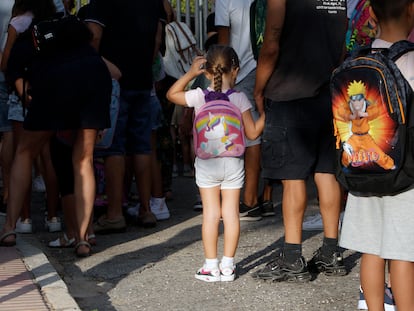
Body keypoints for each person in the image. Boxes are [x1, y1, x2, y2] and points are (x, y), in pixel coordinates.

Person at [0, 0, 112, 259]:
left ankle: (9, 228)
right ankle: (83, 238)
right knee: (84, 159)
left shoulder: (28, 35)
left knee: (25, 152)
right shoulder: (72, 28)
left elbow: (15, 73)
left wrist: (32, 102)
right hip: (93, 76)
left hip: (52, 81)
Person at [252, 0, 347, 282]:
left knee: (293, 177)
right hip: (328, 94)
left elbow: (271, 42)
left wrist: (259, 88)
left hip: (289, 92)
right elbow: (341, 43)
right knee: (327, 173)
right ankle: (332, 252)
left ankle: (292, 257)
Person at [167, 45, 265, 282]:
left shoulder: (199, 95)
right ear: (237, 70)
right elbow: (252, 134)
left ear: (207, 71)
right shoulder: (240, 98)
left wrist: (191, 74)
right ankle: (228, 266)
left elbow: (171, 95)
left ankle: (210, 266)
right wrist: (265, 115)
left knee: (211, 214)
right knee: (231, 214)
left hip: (206, 163)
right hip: (233, 163)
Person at [340, 1, 414, 310]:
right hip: (405, 175)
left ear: (370, 14)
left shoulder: (355, 62)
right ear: (411, 10)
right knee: (402, 253)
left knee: (371, 250)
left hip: (362, 168)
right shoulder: (411, 60)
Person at [85, 0, 164, 232]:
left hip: (114, 80)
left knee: (114, 148)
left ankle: (114, 213)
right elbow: (157, 39)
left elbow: (94, 38)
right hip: (142, 79)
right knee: (142, 146)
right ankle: (146, 209)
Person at [216, 0, 264, 221]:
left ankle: (250, 199)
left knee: (246, 135)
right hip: (263, 67)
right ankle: (258, 196)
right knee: (256, 134)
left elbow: (223, 44)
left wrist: (224, 79)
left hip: (238, 72)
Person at [0, 0, 14, 216]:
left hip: (6, 73)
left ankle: (8, 192)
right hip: (18, 72)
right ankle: (8, 192)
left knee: (7, 132)